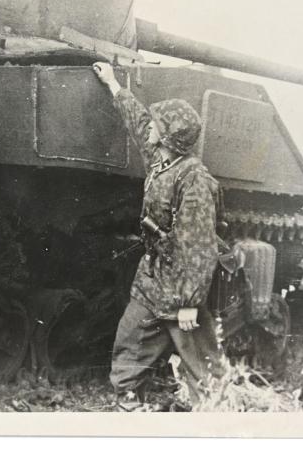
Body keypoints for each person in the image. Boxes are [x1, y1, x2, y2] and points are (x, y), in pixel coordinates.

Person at [92, 61, 224, 409]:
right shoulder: (161, 160)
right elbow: (138, 123)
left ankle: (215, 414)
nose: (150, 125)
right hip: (153, 276)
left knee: (198, 357)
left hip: (180, 282)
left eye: (158, 124)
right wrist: (114, 85)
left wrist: (189, 303)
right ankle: (127, 397)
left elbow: (198, 245)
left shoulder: (193, 177)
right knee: (130, 337)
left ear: (168, 137)